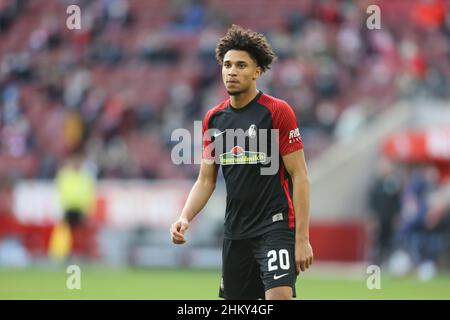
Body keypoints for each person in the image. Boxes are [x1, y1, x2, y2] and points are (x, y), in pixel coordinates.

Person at [170, 24, 313, 300]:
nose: (232, 71)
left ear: (257, 72)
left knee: (280, 297)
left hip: (275, 225)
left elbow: (300, 176)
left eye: (241, 65)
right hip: (236, 231)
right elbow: (206, 180)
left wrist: (302, 238)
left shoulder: (277, 112)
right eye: (227, 65)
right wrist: (185, 217)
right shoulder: (215, 119)